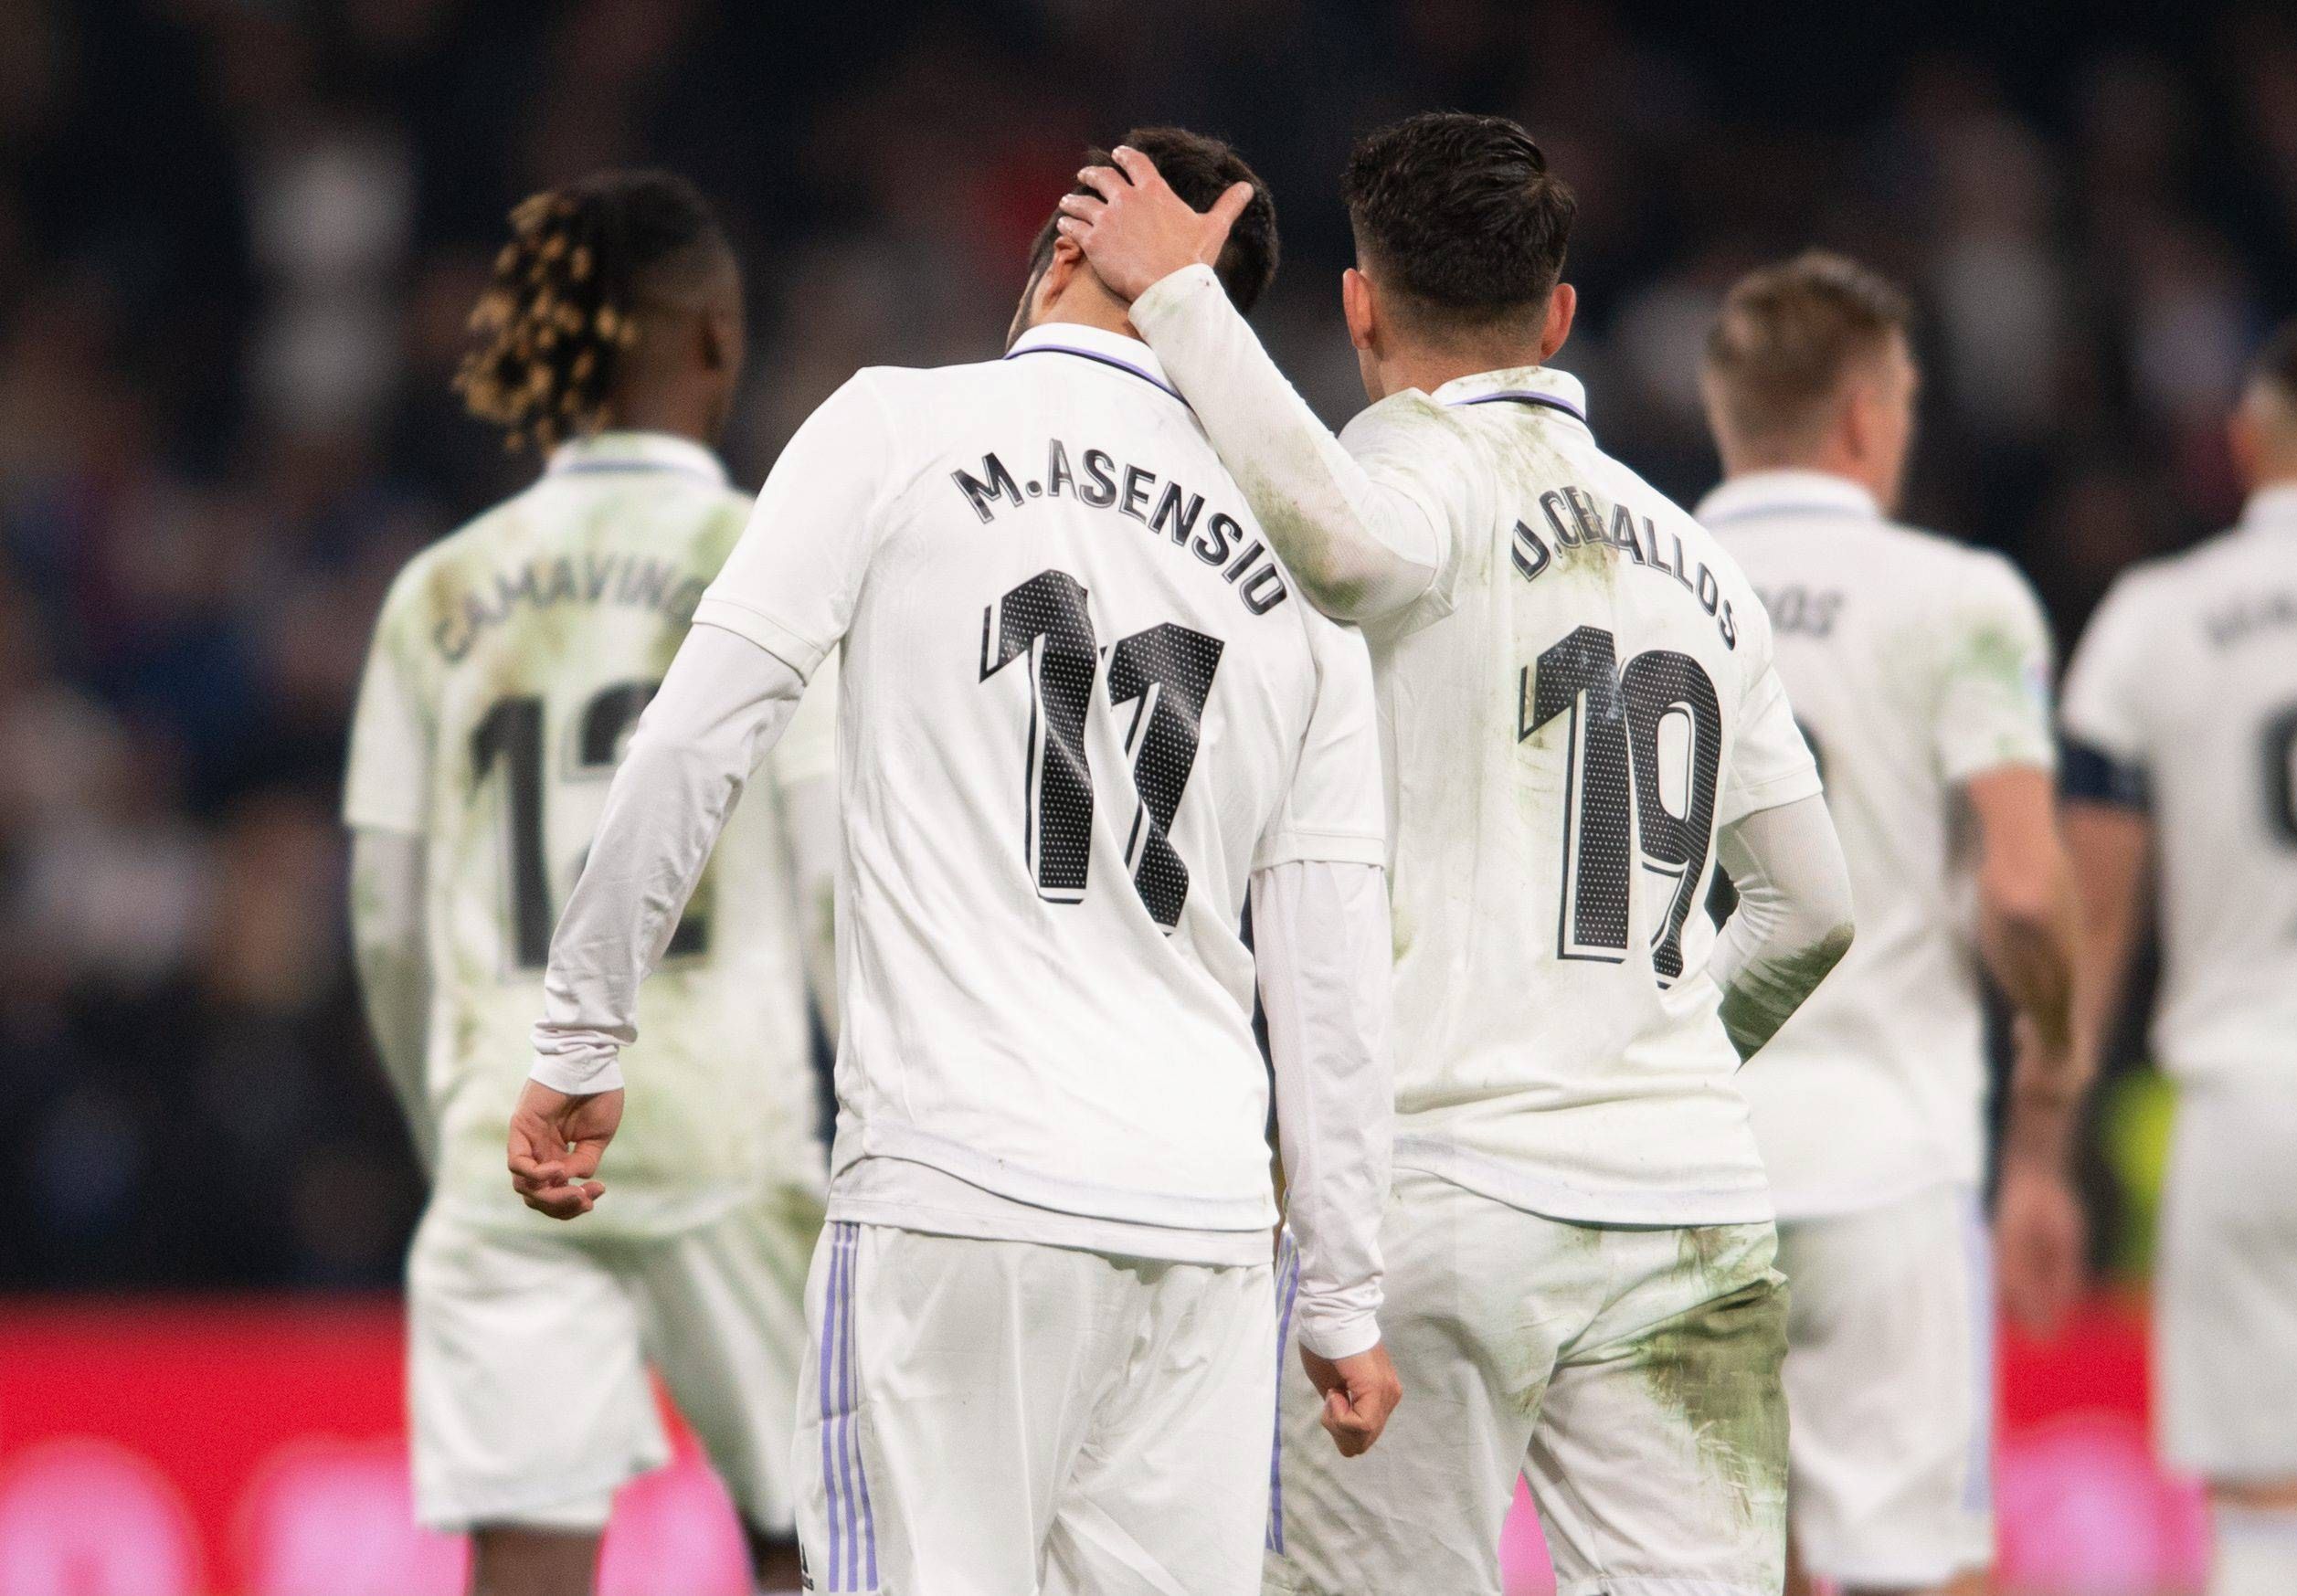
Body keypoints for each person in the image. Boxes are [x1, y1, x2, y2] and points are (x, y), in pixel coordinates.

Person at [507, 127, 1399, 1595]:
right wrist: (1347, 1288)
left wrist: (586, 1030)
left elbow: (690, 740)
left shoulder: (896, 429)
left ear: (1061, 251)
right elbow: (1335, 967)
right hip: (1202, 1224)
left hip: (956, 1188)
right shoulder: (1307, 565)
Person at [1060, 111, 1854, 1596]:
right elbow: (1813, 910)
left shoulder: (1414, 483)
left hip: (1442, 1189)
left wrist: (1176, 297)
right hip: (1689, 1200)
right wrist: (1656, 1054)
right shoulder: (1703, 562)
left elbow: (1352, 548)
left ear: (1359, 306)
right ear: (1556, 315)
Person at [344, 170, 836, 1596]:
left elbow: (385, 920)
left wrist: (451, 1120)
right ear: (717, 342)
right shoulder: (774, 560)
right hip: (730, 1126)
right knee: (817, 1543)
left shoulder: (437, 590)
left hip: (512, 1130)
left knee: (530, 1562)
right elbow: (826, 884)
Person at [1693, 250, 2086, 1596]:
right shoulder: (1961, 599)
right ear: (1866, 413)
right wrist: (2055, 1069)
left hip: (1683, 1160)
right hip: (1887, 1160)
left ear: (1726, 410)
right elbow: (2028, 888)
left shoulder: (1634, 572)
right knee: (1921, 1569)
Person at [2060, 311, 2297, 1596]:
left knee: (2265, 1533)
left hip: (2245, 1106)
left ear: (2246, 443)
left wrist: (2042, 1134)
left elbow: (2094, 906)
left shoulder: (2158, 618)